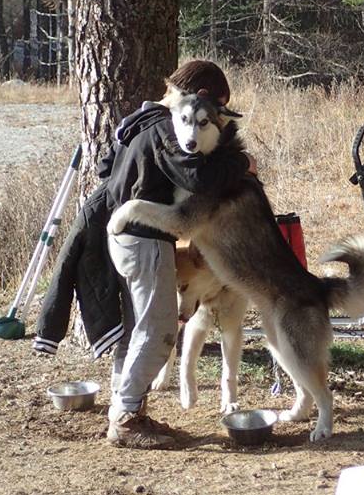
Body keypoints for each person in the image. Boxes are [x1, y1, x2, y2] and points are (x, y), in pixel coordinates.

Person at [103, 59, 254, 449]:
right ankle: (127, 418)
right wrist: (240, 163)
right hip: (145, 239)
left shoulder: (139, 118)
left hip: (123, 240)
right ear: (200, 98)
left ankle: (120, 403)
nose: (214, 122)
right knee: (159, 331)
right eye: (216, 109)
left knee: (137, 327)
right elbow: (196, 177)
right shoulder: (168, 126)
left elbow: (106, 167)